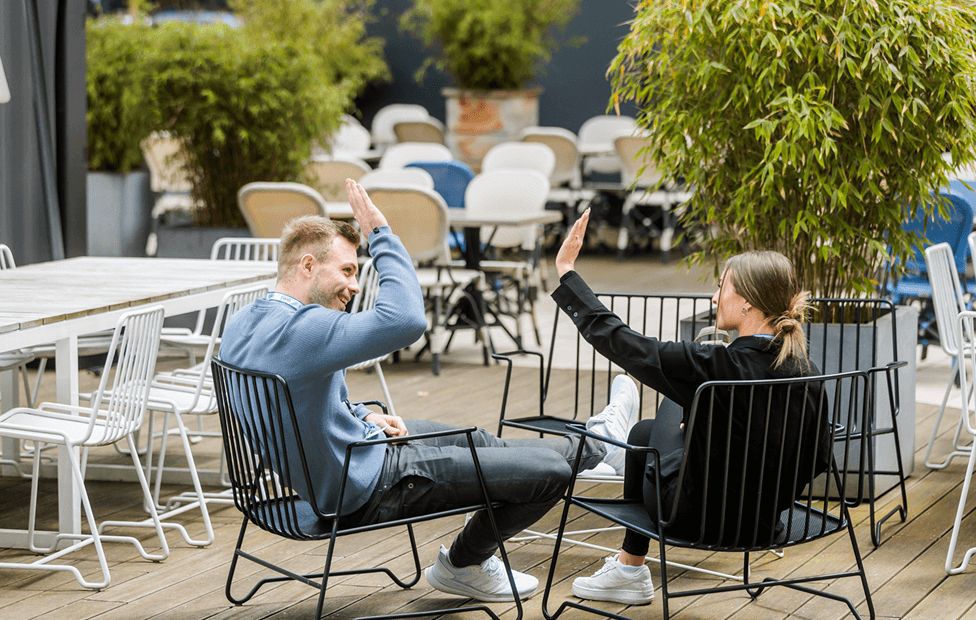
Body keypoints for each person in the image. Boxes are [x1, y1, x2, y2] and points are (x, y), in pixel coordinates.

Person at [218, 179, 640, 603]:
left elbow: (296, 397)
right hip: (372, 487)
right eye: (347, 270)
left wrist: (361, 415)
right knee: (549, 473)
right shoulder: (305, 331)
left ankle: (600, 444)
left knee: (480, 441)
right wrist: (381, 233)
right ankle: (465, 563)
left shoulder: (245, 323)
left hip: (353, 458)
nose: (355, 284)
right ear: (307, 266)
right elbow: (406, 319)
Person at [550, 209, 831, 606]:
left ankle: (628, 559)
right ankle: (618, 447)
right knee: (649, 431)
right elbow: (818, 459)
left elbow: (627, 344)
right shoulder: (808, 373)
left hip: (694, 518)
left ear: (748, 303)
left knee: (654, 422)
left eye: (722, 287)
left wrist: (567, 272)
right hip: (767, 523)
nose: (715, 296)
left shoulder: (715, 366)